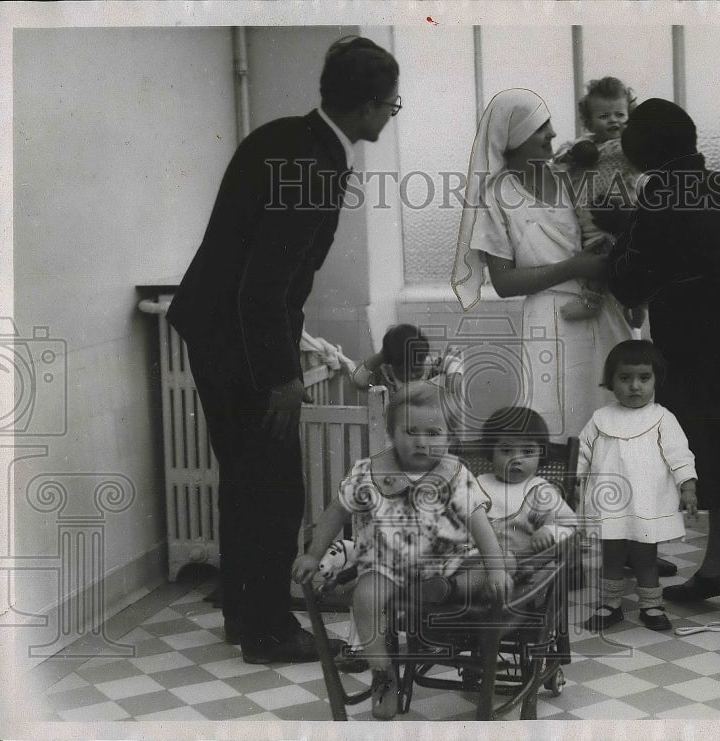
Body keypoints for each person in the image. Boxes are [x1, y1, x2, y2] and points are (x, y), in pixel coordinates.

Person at [166, 36, 400, 663]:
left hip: (216, 328)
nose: (391, 113)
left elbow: (262, 277)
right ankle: (269, 631)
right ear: (369, 106)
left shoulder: (290, 137)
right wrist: (282, 378)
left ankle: (248, 616)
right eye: (392, 104)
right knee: (274, 485)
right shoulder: (314, 164)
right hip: (237, 337)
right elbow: (264, 287)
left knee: (247, 478)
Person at [605, 98, 720, 638]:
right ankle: (717, 570)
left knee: (718, 464)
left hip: (698, 355)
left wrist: (613, 229)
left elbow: (630, 279)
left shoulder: (662, 195)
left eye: (630, 129)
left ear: (648, 146)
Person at [292, 382, 512, 720]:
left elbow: (479, 525)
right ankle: (383, 674)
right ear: (391, 432)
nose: (421, 441)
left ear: (449, 435)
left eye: (433, 432)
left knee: (482, 571)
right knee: (364, 600)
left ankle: (448, 588)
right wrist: (312, 553)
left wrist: (496, 568)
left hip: (447, 560)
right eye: (410, 431)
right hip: (386, 563)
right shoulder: (369, 472)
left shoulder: (454, 474)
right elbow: (336, 511)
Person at [451, 88, 631, 441]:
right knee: (558, 425)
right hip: (549, 323)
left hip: (604, 311)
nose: (552, 134)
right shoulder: (496, 198)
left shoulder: (571, 175)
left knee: (616, 422)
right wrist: (574, 267)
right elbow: (504, 283)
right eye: (540, 127)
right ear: (513, 138)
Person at [577, 340, 698, 632]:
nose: (634, 386)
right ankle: (611, 604)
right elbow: (582, 453)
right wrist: (573, 481)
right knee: (612, 556)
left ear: (656, 379)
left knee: (645, 557)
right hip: (609, 503)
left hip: (646, 502)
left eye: (644, 378)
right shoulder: (600, 418)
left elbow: (680, 455)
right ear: (611, 380)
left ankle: (651, 605)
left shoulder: (662, 418)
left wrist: (688, 486)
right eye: (625, 378)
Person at [554, 78, 645, 324]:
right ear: (588, 121)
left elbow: (648, 161)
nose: (613, 120)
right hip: (590, 218)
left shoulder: (630, 145)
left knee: (628, 256)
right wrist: (576, 153)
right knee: (599, 260)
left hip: (621, 214)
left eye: (620, 114)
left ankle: (627, 302)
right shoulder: (581, 144)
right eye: (604, 116)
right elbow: (558, 161)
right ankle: (605, 302)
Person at [474, 406, 578, 569]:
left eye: (527, 451)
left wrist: (549, 531)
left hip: (525, 565)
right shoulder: (478, 484)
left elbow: (569, 525)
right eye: (506, 450)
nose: (516, 459)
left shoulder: (539, 491)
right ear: (491, 451)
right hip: (480, 563)